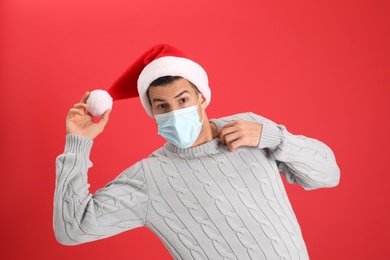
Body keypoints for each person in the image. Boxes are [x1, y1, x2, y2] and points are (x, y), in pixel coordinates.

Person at [54, 44, 340, 260]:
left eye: (183, 99)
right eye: (162, 106)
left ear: (202, 98)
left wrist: (274, 137)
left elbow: (328, 174)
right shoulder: (150, 177)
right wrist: (78, 144)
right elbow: (73, 229)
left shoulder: (251, 129)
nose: (175, 112)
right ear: (151, 111)